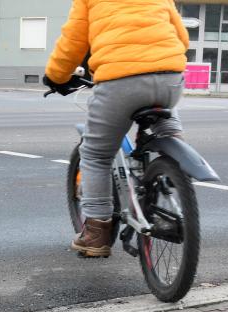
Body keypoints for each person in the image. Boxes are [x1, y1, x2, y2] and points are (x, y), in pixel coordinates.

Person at [43, 0, 188, 258]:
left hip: (119, 82)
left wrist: (55, 76)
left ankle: (97, 234)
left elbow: (73, 42)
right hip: (170, 78)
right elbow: (182, 38)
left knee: (96, 155)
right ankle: (172, 157)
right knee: (165, 119)